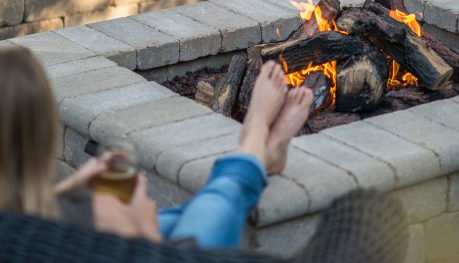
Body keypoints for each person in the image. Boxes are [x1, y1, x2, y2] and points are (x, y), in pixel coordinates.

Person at [0, 46, 313, 248]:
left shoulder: (21, 225)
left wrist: (69, 187)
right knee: (218, 202)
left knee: (184, 213)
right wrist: (136, 216)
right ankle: (254, 139)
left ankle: (261, 158)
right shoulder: (81, 232)